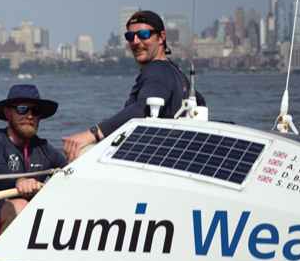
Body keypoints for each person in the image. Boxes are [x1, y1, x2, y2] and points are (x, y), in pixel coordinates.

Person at [62, 10, 206, 162]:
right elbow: (200, 102)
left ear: (161, 37)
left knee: (81, 151)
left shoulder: (156, 68)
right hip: (171, 158)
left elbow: (142, 108)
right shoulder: (176, 72)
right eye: (130, 36)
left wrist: (92, 134)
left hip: (151, 160)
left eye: (144, 34)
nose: (136, 42)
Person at [0, 84, 67, 253]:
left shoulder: (46, 150)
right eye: (22, 109)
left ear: (40, 116)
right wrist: (20, 181)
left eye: (35, 110)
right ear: (8, 113)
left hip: (27, 221)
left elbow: (70, 177)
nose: (29, 115)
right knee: (18, 206)